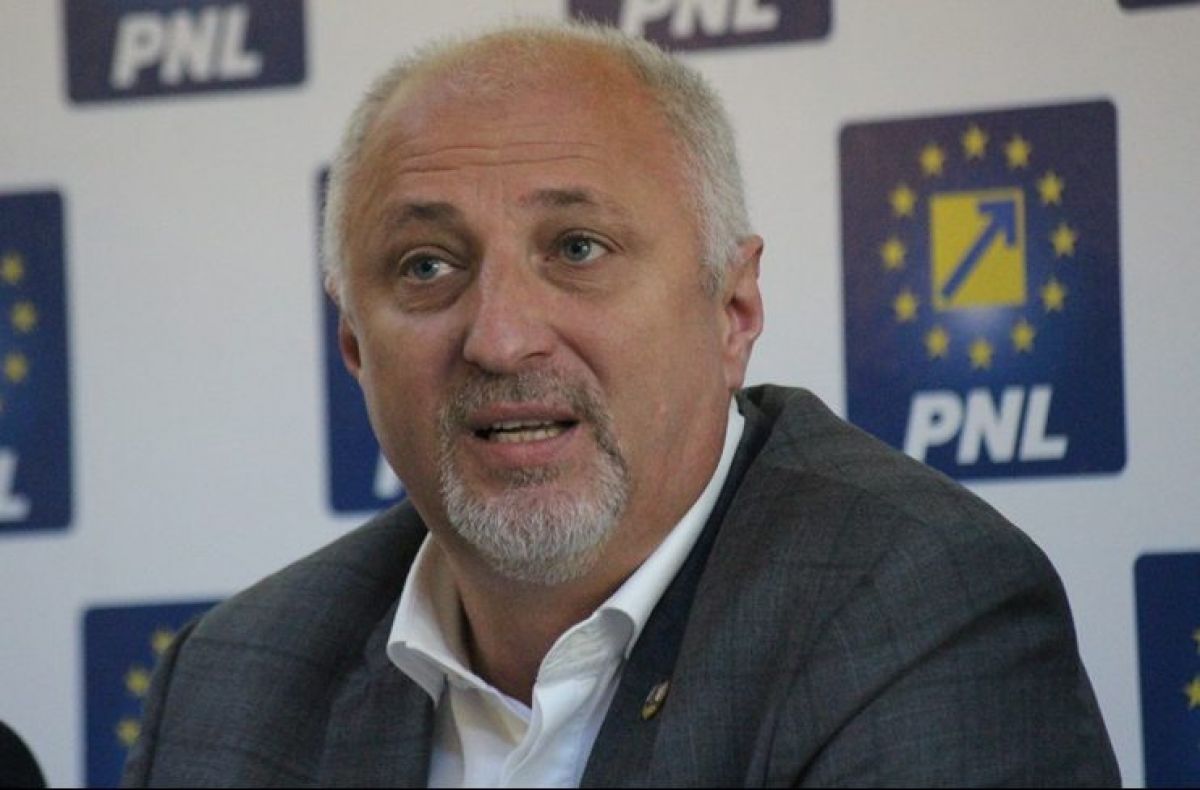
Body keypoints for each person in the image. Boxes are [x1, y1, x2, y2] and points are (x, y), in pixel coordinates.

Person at [123, 20, 1119, 788]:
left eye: (577, 249)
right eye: (426, 265)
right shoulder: (232, 682)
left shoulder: (915, 612)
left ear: (732, 309)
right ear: (353, 347)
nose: (500, 337)